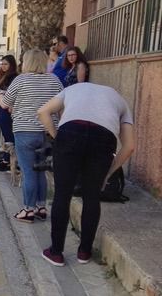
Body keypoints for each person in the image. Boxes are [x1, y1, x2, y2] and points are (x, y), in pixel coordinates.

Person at [38, 82, 135, 266]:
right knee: (92, 197)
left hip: (70, 132)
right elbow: (129, 146)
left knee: (62, 195)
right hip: (104, 138)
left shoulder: (71, 89)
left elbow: (43, 112)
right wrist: (108, 173)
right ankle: (84, 252)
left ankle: (56, 252)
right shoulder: (120, 100)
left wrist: (58, 139)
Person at [0, 49, 63, 223]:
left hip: (25, 130)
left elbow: (5, 104)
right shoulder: (54, 80)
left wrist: (0, 96)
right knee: (40, 171)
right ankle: (41, 208)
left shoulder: (21, 80)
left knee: (28, 172)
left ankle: (28, 209)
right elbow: (62, 102)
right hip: (47, 132)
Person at [0, 55, 19, 171]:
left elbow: (12, 95)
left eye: (6, 64)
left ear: (11, 65)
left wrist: (1, 96)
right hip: (2, 108)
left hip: (9, 109)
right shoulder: (4, 76)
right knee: (5, 135)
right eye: (2, 64)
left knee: (9, 136)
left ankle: (10, 161)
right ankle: (6, 158)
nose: (3, 66)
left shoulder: (14, 77)